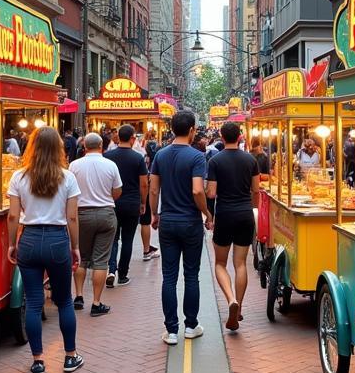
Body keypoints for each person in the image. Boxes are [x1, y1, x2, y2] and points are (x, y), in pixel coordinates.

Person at [6, 126, 83, 373]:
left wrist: (11, 243)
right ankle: (70, 356)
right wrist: (75, 246)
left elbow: (13, 216)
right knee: (63, 301)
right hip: (56, 238)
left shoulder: (19, 177)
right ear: (59, 148)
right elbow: (72, 217)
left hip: (29, 238)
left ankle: (38, 361)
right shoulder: (67, 177)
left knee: (34, 301)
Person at [150, 110, 211, 345]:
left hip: (168, 222)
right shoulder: (196, 157)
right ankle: (191, 325)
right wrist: (207, 213)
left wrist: (155, 214)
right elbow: (198, 190)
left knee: (169, 277)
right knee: (191, 275)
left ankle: (171, 330)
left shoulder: (160, 155)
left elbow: (154, 189)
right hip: (190, 222)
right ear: (192, 130)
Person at [206, 122, 258, 332]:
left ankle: (230, 299)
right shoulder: (250, 159)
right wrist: (252, 208)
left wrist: (209, 214)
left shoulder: (215, 161)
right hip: (245, 213)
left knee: (220, 263)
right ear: (240, 136)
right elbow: (256, 189)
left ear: (221, 135)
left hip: (225, 214)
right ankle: (240, 305)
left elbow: (210, 193)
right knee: (241, 264)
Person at [68, 133, 122, 315]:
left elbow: (70, 194)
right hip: (106, 213)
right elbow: (117, 191)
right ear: (101, 146)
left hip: (82, 214)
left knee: (81, 257)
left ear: (84, 147)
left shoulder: (74, 166)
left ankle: (79, 296)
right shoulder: (111, 165)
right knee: (101, 260)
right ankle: (97, 302)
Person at [104, 125, 148, 286]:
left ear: (118, 137)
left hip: (111, 203)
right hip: (131, 203)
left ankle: (111, 269)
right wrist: (143, 202)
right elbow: (143, 183)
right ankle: (122, 274)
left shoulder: (108, 156)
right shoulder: (137, 158)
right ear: (132, 138)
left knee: (113, 239)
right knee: (128, 240)